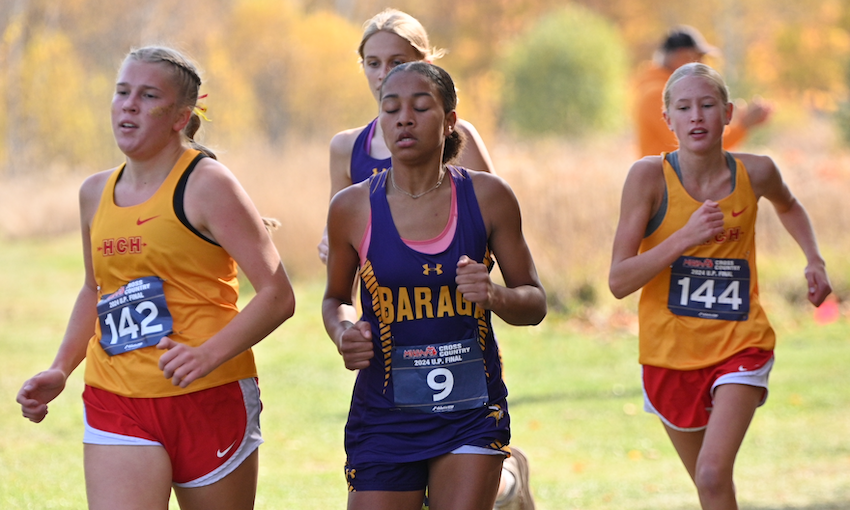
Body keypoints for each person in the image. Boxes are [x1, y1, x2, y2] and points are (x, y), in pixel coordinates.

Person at [16, 46, 296, 510]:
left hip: (207, 395)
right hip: (117, 395)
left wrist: (208, 355)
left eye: (147, 96)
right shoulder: (94, 192)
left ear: (180, 117)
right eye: (122, 92)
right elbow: (95, 289)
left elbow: (277, 295)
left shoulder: (208, 184)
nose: (128, 104)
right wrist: (61, 367)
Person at [320, 10, 536, 509]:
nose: (404, 118)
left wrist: (495, 294)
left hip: (469, 404)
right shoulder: (351, 205)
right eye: (391, 108)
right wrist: (343, 332)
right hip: (385, 407)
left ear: (449, 119)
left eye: (420, 106)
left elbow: (534, 301)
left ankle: (503, 479)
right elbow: (335, 297)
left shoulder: (489, 197)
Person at [609, 62, 832, 510]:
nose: (697, 116)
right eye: (685, 107)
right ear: (667, 118)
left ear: (728, 113)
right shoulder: (648, 178)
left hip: (740, 342)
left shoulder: (757, 172)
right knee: (710, 488)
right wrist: (685, 238)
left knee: (712, 472)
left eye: (708, 105)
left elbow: (790, 206)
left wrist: (814, 258)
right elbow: (618, 280)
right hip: (668, 351)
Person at [318, 8, 495, 265]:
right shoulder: (346, 146)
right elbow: (340, 244)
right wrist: (331, 244)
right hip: (382, 304)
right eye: (373, 63)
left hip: (453, 297)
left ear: (426, 66)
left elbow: (497, 226)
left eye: (397, 62)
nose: (384, 74)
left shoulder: (458, 135)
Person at [633, 25, 773, 158]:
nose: (702, 64)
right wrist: (743, 126)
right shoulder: (657, 94)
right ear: (680, 56)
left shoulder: (665, 89)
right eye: (698, 57)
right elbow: (696, 146)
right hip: (664, 181)